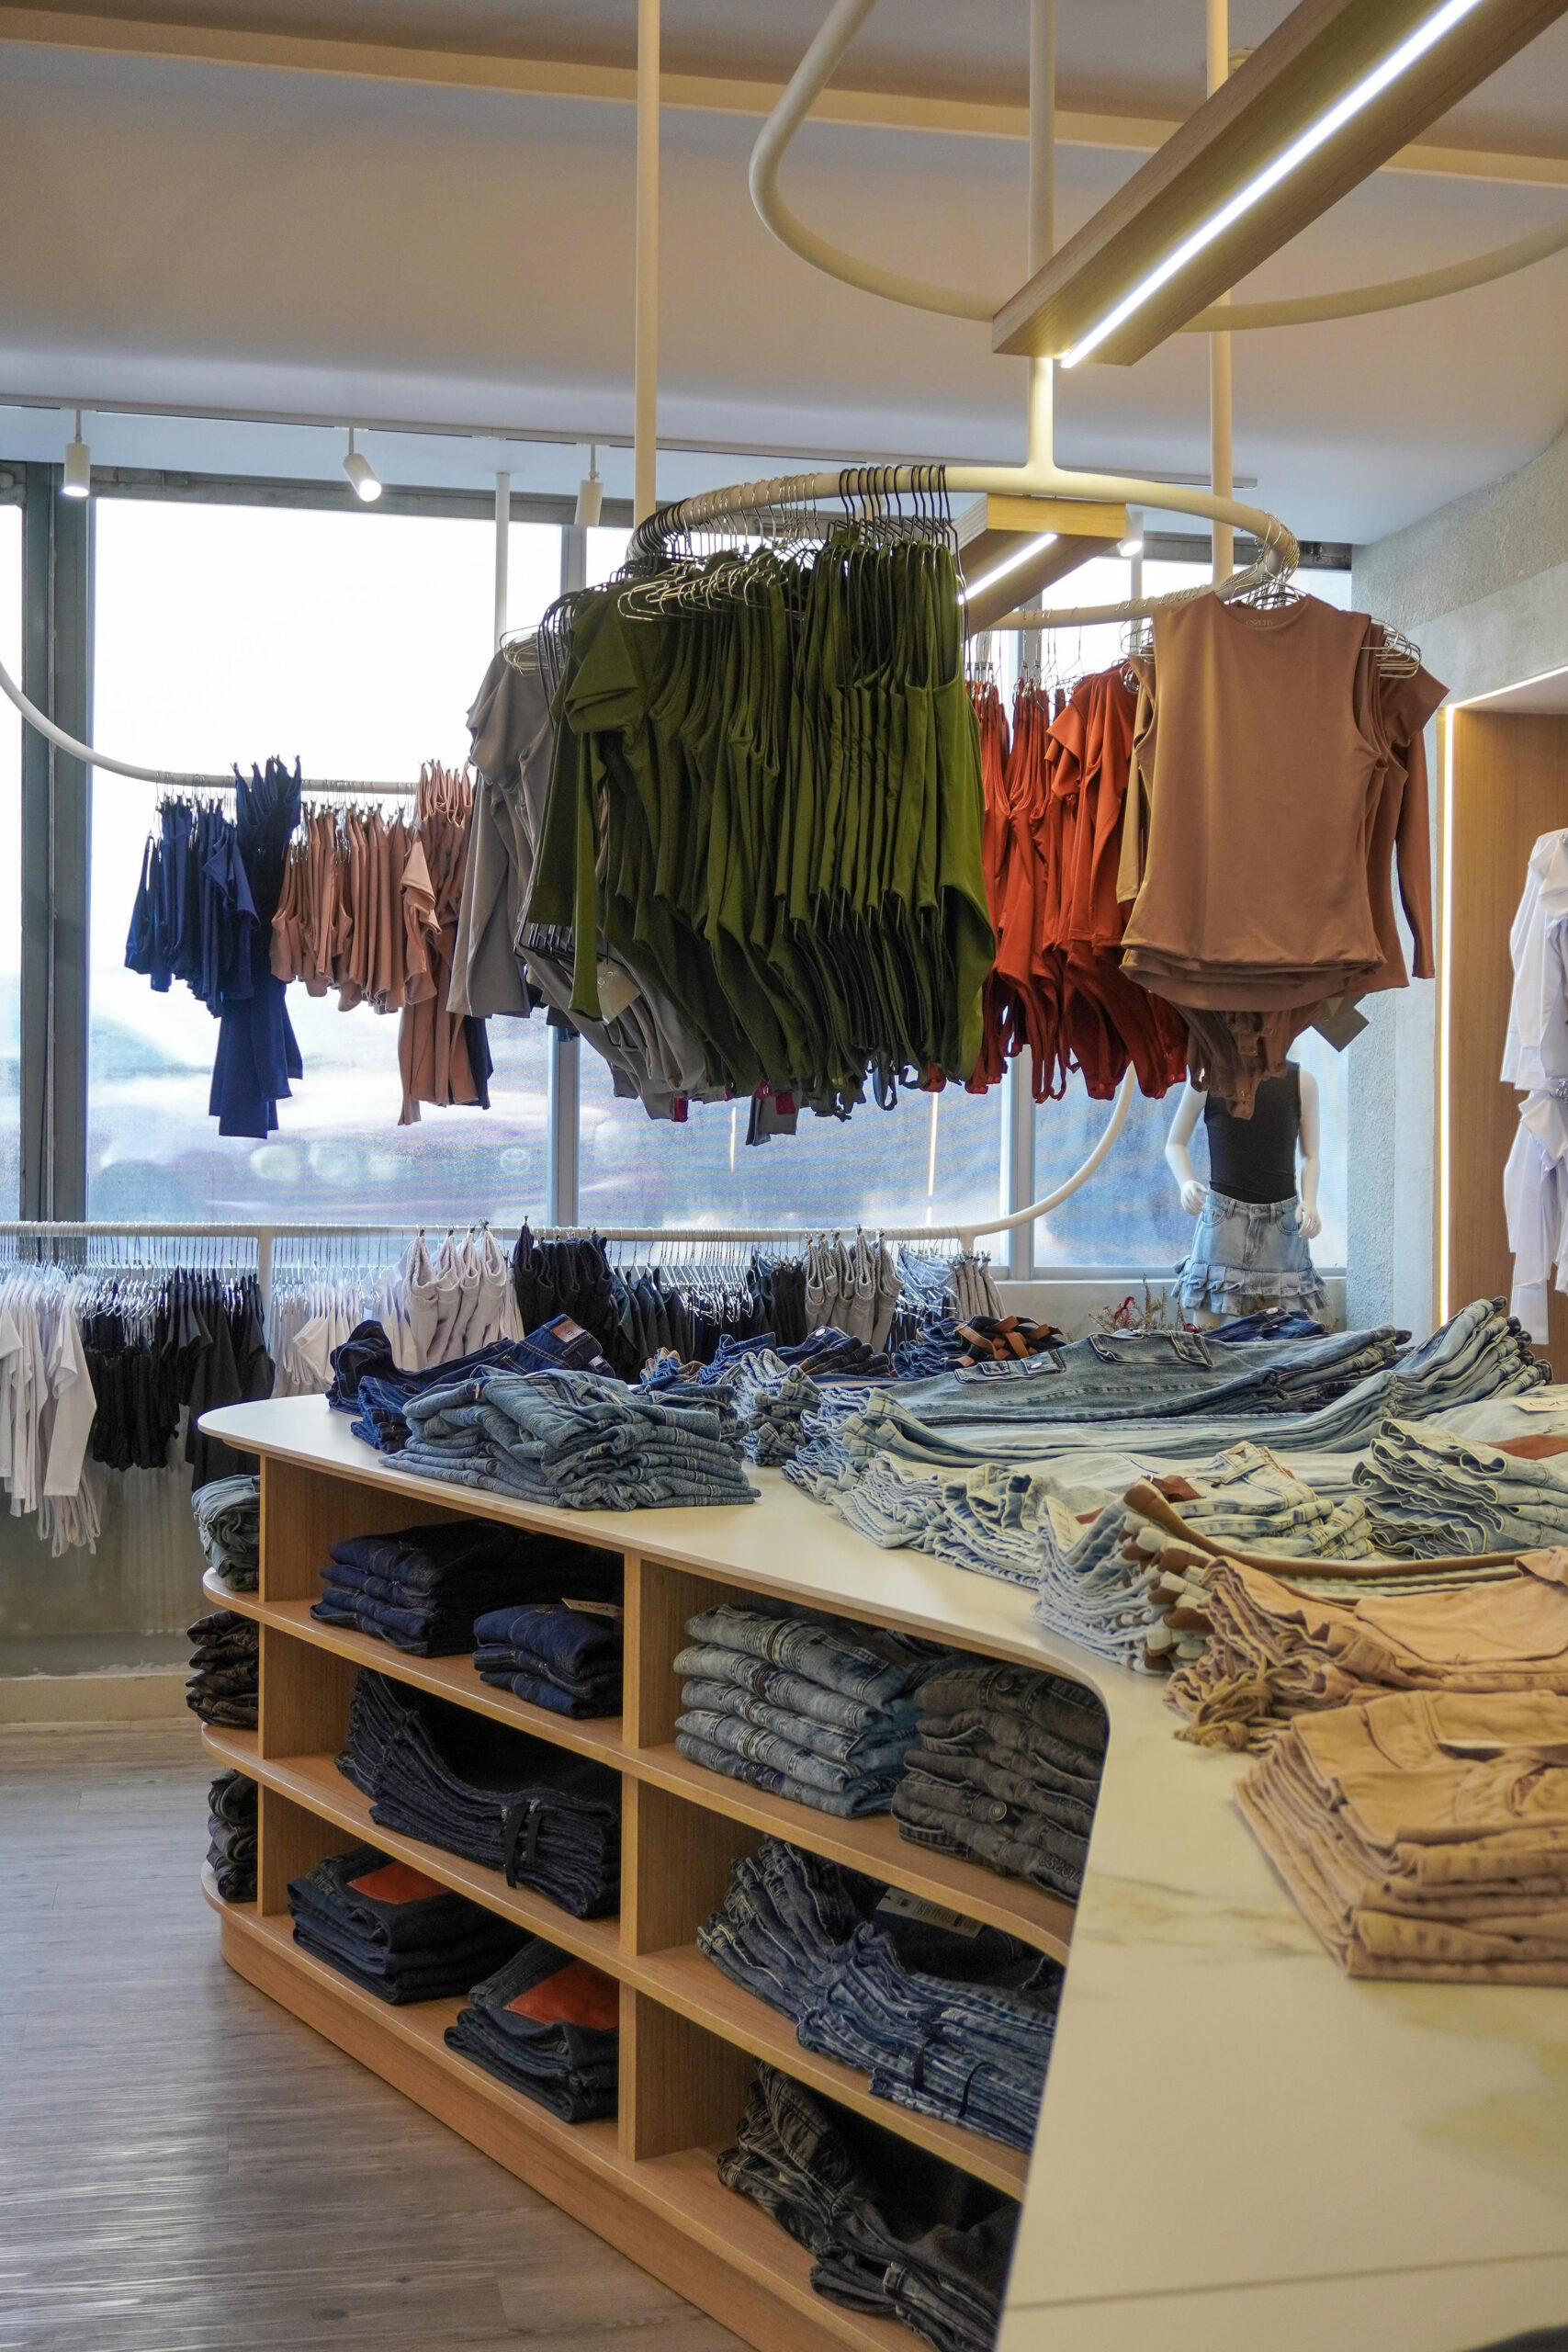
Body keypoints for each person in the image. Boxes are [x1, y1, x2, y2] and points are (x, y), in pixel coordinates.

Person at [1164, 1064, 1329, 1329]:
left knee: (1280, 1335)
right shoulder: (1207, 1077)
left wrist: (1310, 1201)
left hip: (1281, 1225)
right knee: (1206, 1333)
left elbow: (1311, 1156)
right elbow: (1175, 1143)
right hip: (1223, 1222)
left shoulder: (1302, 1082)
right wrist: (1185, 1184)